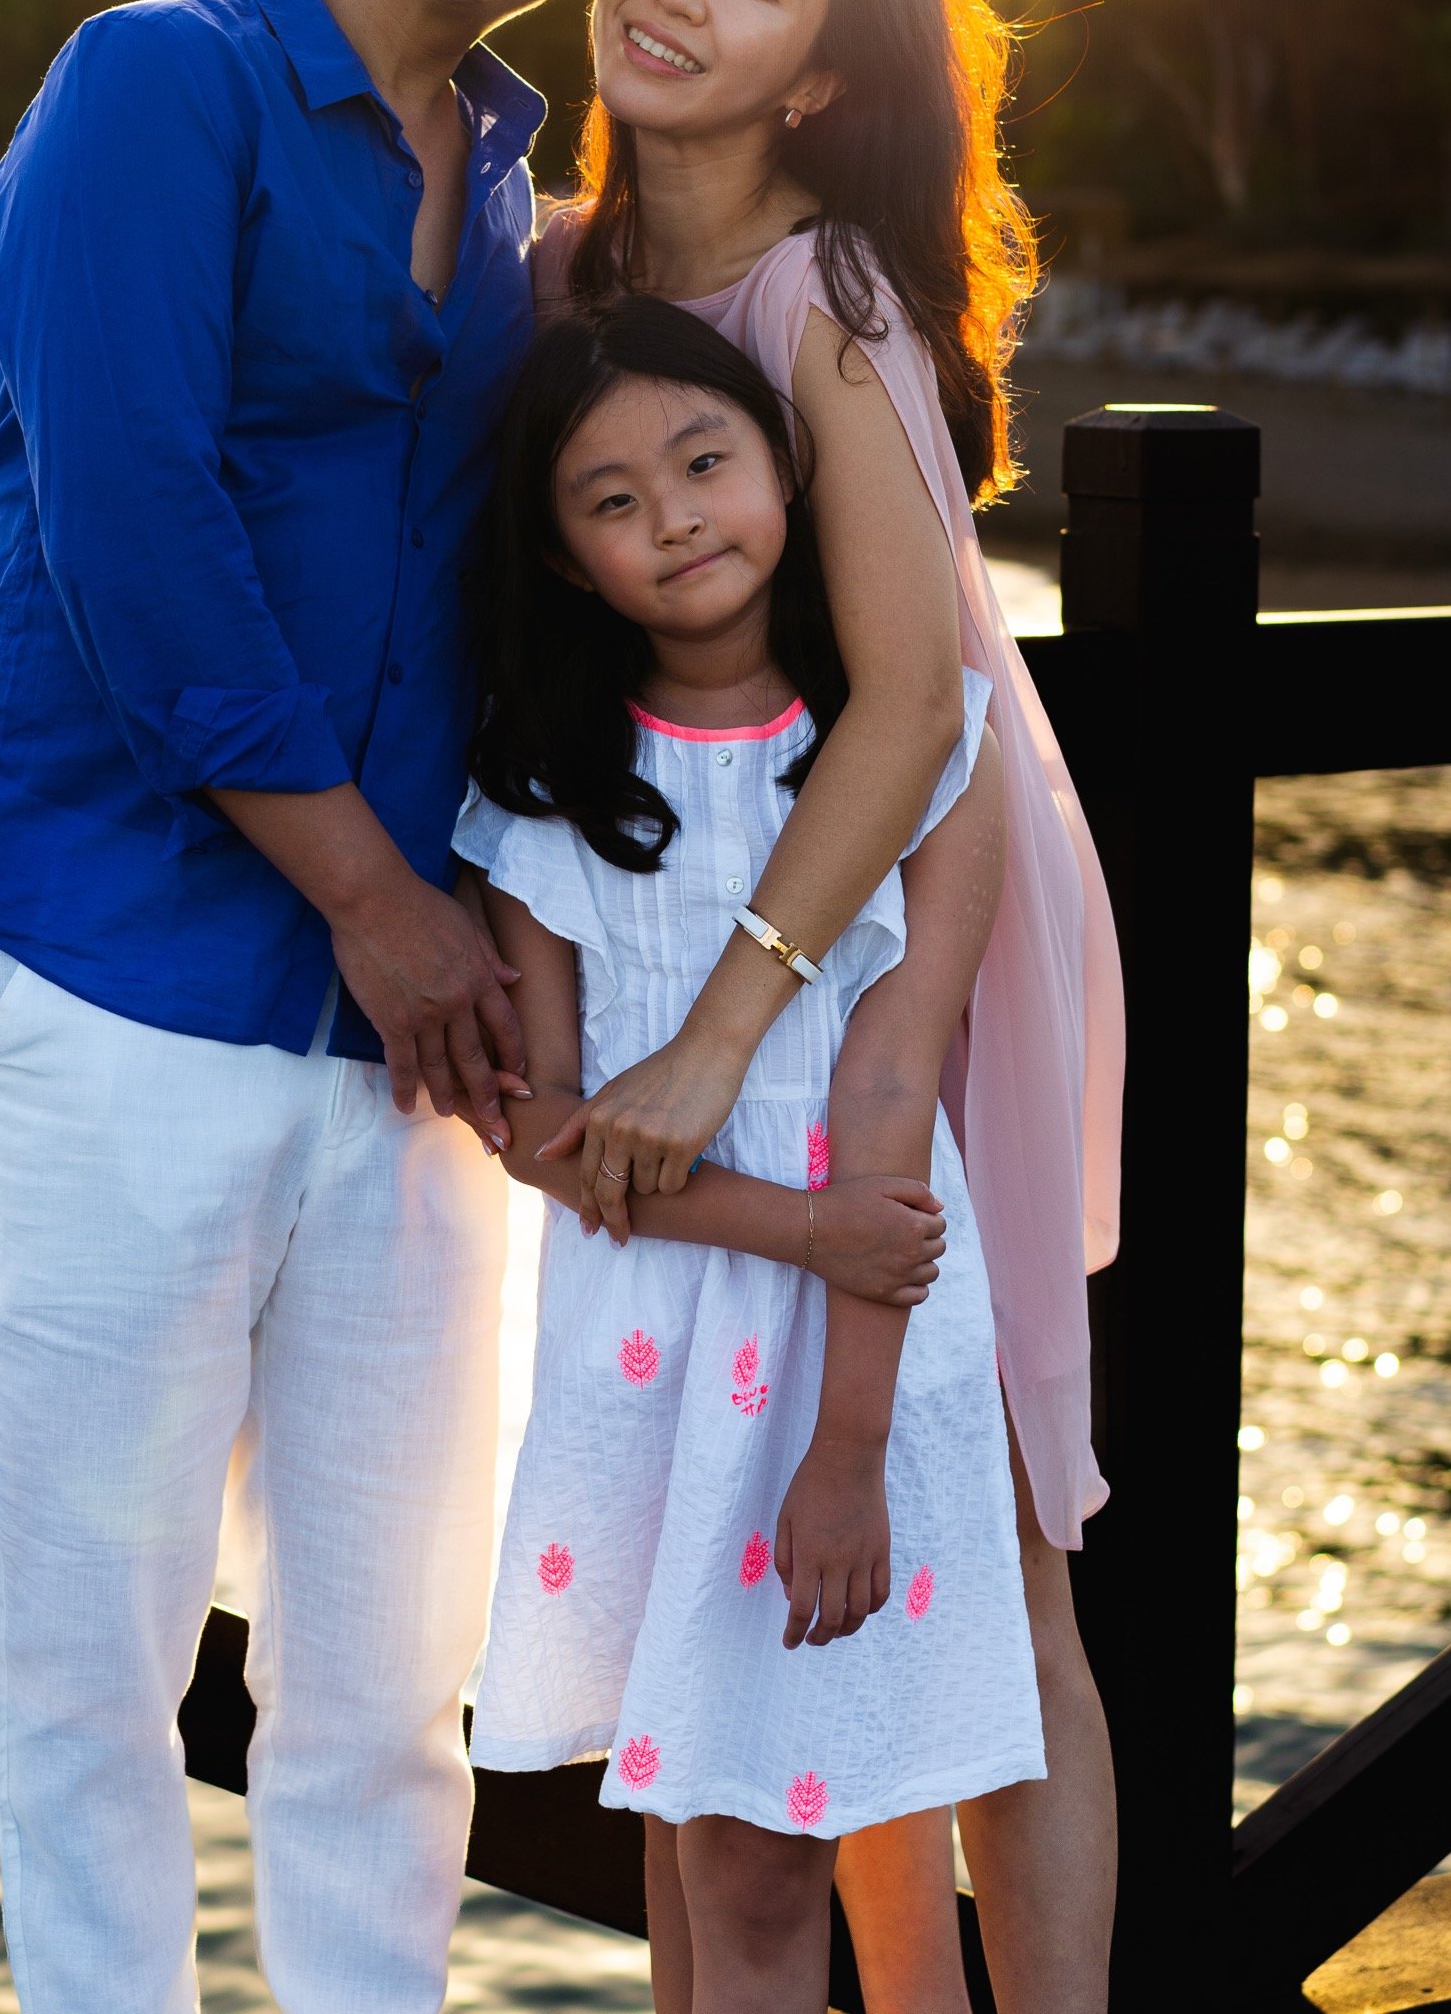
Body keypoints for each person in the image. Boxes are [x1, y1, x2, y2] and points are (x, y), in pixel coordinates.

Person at [0, 0, 686, 2014]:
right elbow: (134, 528)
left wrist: (500, 933)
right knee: (94, 1673)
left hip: (404, 1042)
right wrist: (373, 899)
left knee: (378, 1700)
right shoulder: (161, 83)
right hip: (114, 970)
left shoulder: (536, 188)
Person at [537, 0, 1126, 2014]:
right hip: (708, 919)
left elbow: (917, 709)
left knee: (1003, 1541)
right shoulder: (575, 272)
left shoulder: (825, 292)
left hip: (920, 923)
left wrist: (707, 1038)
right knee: (755, 1508)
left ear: (817, 78)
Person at [455, 297, 1040, 2014]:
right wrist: (802, 1235)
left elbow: (888, 1111)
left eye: (706, 462)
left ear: (787, 472)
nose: (676, 517)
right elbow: (549, 1136)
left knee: (763, 1863)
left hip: (854, 1368)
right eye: (611, 499)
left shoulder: (911, 754)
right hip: (648, 1364)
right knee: (694, 1842)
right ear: (563, 559)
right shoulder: (548, 791)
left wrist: (846, 1451)